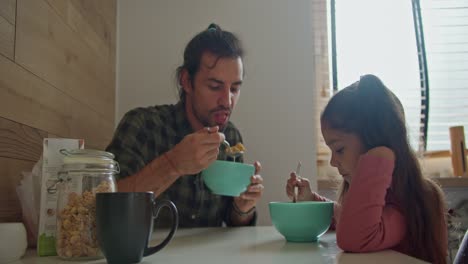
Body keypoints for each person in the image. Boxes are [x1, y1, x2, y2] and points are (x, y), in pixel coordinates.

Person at [106, 23, 264, 228]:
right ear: (187, 81)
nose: (227, 101)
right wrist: (173, 164)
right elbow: (106, 207)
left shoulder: (231, 137)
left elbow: (232, 221)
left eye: (234, 88)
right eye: (215, 87)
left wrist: (243, 208)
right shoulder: (142, 125)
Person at [286, 74, 448, 263]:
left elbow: (355, 237)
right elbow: (343, 217)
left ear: (373, 143)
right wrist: (311, 199)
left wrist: (378, 157)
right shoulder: (384, 196)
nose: (332, 162)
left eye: (339, 149)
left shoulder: (410, 202)